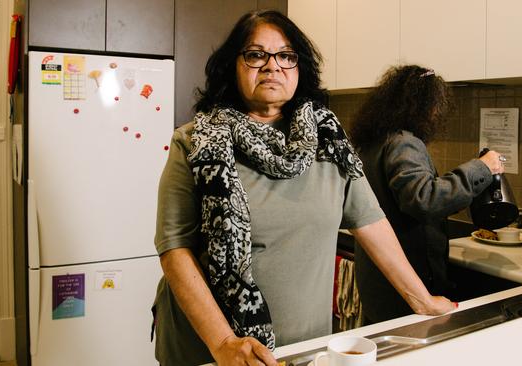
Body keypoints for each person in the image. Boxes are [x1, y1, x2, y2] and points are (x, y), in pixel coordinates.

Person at [151, 11, 455, 366]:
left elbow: (370, 222)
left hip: (305, 346)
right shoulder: (195, 142)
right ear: (232, 66)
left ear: (300, 68)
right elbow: (175, 249)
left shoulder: (330, 142)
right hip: (209, 349)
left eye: (286, 56)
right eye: (255, 54)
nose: (272, 66)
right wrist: (223, 342)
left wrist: (421, 299)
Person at [348, 65, 505, 324]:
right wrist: (482, 168)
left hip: (380, 280)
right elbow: (423, 198)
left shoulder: (374, 140)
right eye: (435, 105)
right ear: (423, 106)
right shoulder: (403, 141)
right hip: (409, 280)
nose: (436, 113)